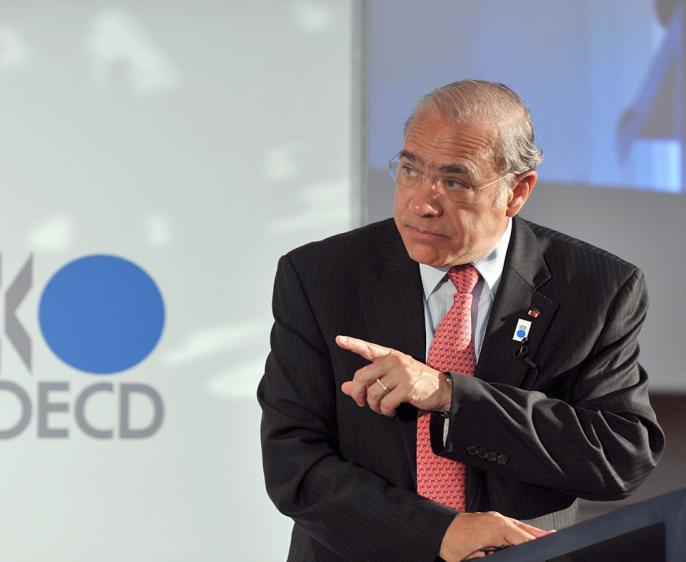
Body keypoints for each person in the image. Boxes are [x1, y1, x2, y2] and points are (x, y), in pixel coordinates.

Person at [257, 79, 665, 562]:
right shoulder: (320, 276)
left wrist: (450, 395)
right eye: (410, 169)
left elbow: (619, 457)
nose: (421, 203)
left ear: (517, 191)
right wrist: (436, 534)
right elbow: (292, 460)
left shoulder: (595, 289)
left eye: (454, 182)